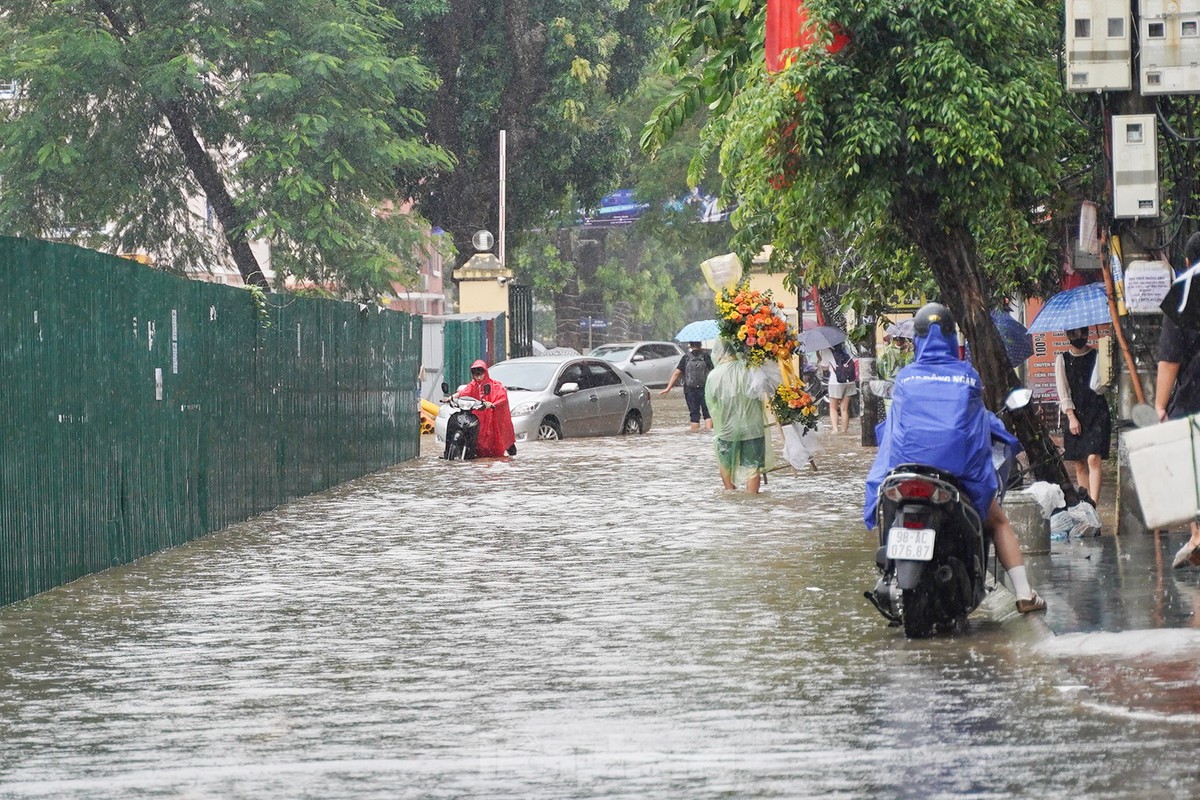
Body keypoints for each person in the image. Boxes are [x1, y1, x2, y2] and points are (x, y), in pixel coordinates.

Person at [863, 302, 1046, 614]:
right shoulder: (967, 377)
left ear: (917, 340)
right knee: (998, 520)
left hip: (906, 472)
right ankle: (1024, 595)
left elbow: (892, 430)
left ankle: (888, 573)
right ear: (951, 338)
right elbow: (980, 423)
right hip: (956, 476)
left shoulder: (905, 379)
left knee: (886, 509)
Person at [1159, 232, 1200, 568]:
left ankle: (1198, 534)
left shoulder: (1182, 297)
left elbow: (1169, 360)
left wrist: (1159, 406)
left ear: (1186, 262)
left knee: (1190, 470)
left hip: (1191, 399)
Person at [1054, 325, 1112, 507]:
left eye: (1082, 332)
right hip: (1075, 413)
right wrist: (1071, 415)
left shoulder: (1097, 356)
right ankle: (1085, 505)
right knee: (1079, 462)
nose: (1079, 336)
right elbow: (1063, 390)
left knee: (1094, 458)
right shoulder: (1062, 359)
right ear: (1068, 335)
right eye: (1074, 333)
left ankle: (1093, 505)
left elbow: (1104, 384)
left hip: (1097, 411)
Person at [705, 342, 773, 492]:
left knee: (725, 463)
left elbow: (712, 403)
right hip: (752, 427)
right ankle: (752, 499)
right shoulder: (750, 369)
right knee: (753, 467)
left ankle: (730, 492)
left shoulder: (713, 375)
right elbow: (762, 389)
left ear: (719, 354)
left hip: (727, 427)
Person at [450, 360, 517, 458]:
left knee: (499, 438)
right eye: (475, 374)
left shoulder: (496, 386)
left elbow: (502, 398)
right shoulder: (473, 385)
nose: (478, 377)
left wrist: (492, 404)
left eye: (480, 373)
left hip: (494, 418)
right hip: (480, 418)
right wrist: (450, 398)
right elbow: (462, 393)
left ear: (485, 372)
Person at [660, 341, 714, 431]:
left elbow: (677, 373)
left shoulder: (686, 358)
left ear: (690, 346)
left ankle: (695, 436)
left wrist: (668, 388)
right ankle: (707, 435)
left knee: (694, 414)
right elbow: (713, 372)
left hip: (690, 390)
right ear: (700, 345)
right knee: (707, 413)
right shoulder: (706, 356)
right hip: (705, 389)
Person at [818, 341, 857, 434]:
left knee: (833, 408)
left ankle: (835, 430)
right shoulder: (846, 348)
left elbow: (825, 367)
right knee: (844, 409)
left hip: (836, 382)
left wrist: (819, 356)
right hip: (849, 381)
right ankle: (844, 431)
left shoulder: (826, 350)